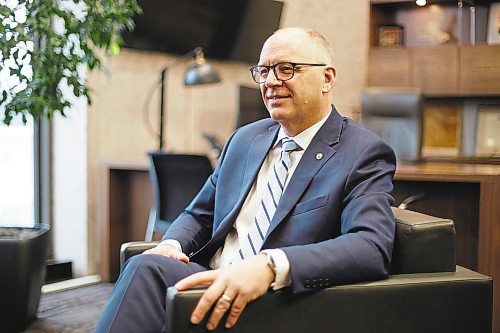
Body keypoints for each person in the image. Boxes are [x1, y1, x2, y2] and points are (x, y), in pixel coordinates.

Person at [95, 27, 396, 333]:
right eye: (263, 71)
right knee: (145, 266)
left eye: (286, 69)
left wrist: (270, 266)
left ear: (327, 78)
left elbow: (371, 246)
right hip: (211, 277)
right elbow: (200, 214)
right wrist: (171, 244)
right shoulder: (245, 139)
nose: (271, 82)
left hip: (277, 297)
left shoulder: (362, 152)